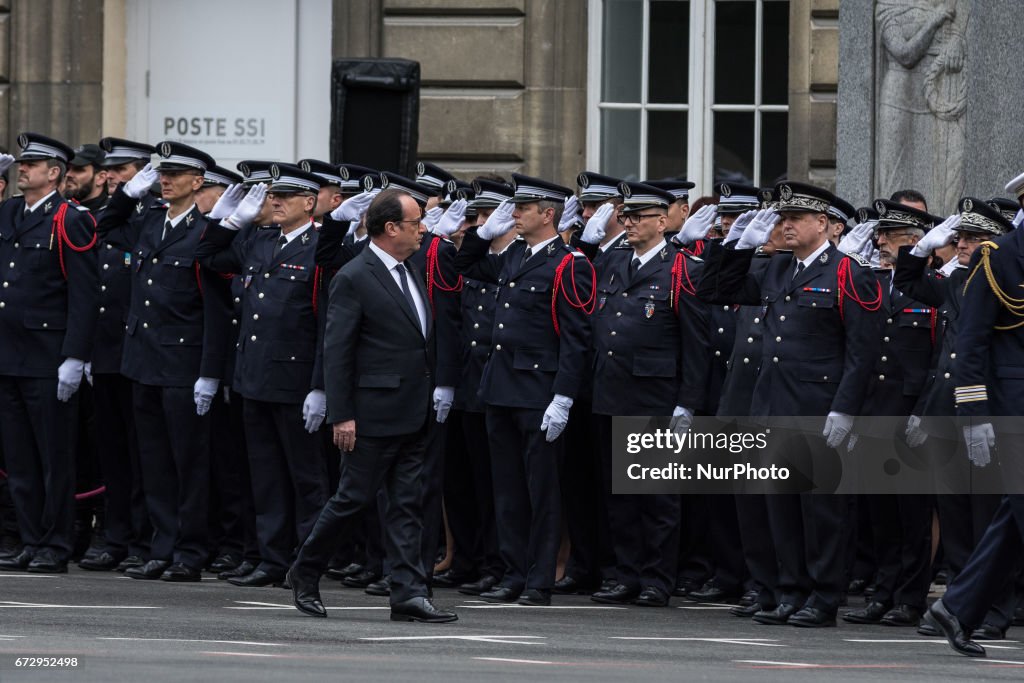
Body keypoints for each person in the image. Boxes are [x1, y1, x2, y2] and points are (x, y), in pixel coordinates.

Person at [698, 181, 882, 627]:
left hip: (818, 407)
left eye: (795, 219)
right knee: (780, 510)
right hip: (773, 404)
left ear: (823, 223)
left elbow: (863, 352)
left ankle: (823, 596)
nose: (786, 226)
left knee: (820, 513)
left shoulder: (847, 272)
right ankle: (791, 590)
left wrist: (844, 410)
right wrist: (740, 246)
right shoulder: (778, 269)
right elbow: (715, 290)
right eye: (782, 219)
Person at [287, 188, 457, 624]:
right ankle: (305, 571)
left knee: (407, 505)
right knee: (352, 500)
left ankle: (408, 592)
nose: (423, 229)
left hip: (412, 411)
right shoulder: (355, 275)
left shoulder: (410, 268)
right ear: (390, 228)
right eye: (416, 222)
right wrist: (341, 413)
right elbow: (337, 350)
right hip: (372, 415)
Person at [454, 173, 594, 606]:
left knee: (542, 491)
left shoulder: (569, 264)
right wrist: (481, 234)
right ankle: (513, 572)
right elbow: (464, 266)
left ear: (547, 214)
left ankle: (538, 579)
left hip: (538, 393)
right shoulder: (513, 255)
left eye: (523, 208)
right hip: (499, 388)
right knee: (508, 490)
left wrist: (563, 397)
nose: (513, 213)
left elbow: (577, 339)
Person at [95, 142, 232, 583]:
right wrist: (127, 194)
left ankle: (190, 551)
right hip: (143, 360)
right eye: (162, 173)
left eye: (175, 174)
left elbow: (213, 307)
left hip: (183, 363)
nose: (165, 179)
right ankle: (161, 545)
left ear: (198, 182)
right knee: (152, 462)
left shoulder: (206, 231)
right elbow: (104, 226)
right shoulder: (149, 221)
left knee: (187, 463)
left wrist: (209, 373)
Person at [198, 165, 329, 587]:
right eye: (274, 195)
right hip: (252, 377)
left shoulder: (320, 247)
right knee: (266, 476)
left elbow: (327, 323)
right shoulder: (259, 240)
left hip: (294, 381)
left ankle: (307, 562)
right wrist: (231, 220)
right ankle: (271, 559)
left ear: (309, 203)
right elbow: (205, 256)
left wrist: (319, 385)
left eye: (285, 196)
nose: (274, 201)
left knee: (306, 479)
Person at [585, 181, 711, 607]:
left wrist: (687, 402)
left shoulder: (681, 270)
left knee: (657, 498)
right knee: (617, 495)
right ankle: (626, 573)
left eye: (639, 217)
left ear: (663, 221)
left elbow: (696, 344)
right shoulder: (614, 263)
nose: (630, 223)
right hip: (612, 391)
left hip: (655, 396)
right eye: (627, 216)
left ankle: (657, 578)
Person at [930, 174, 1024, 658]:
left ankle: (957, 607)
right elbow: (970, 346)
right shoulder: (1001, 258)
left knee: (1011, 520)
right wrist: (976, 414)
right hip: (1012, 409)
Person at [0, 134, 99, 574]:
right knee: (19, 457)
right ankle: (30, 537)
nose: (23, 169)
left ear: (55, 173)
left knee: (53, 458)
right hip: (8, 354)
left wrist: (74, 356)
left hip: (47, 356)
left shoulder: (69, 218)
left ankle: (56, 543)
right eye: (22, 164)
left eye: (33, 164)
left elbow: (83, 293)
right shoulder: (8, 212)